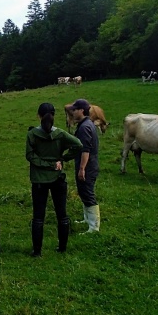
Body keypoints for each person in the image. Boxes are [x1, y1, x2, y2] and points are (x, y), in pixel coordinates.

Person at [26, 103, 83, 256]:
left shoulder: (32, 134)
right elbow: (78, 145)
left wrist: (45, 164)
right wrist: (62, 159)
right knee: (61, 214)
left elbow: (29, 156)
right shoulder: (61, 134)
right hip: (58, 178)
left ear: (38, 116)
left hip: (39, 180)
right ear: (54, 115)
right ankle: (62, 248)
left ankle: (37, 251)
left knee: (38, 216)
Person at [69, 99, 100, 232]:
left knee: (87, 193)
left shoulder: (84, 127)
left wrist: (82, 169)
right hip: (89, 164)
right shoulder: (87, 124)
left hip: (87, 165)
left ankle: (94, 227)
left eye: (74, 110)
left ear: (81, 111)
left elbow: (85, 150)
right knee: (83, 192)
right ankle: (87, 219)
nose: (72, 112)